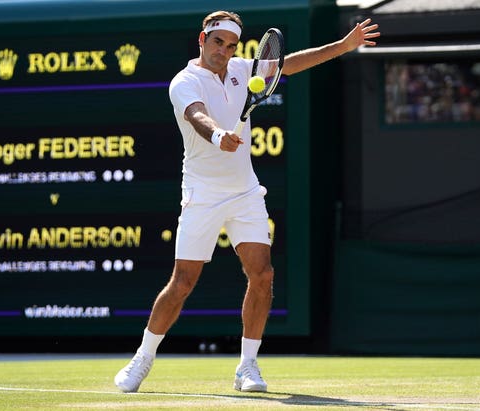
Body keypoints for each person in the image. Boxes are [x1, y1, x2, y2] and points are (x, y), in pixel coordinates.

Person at [114, 10, 380, 393]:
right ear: (202, 41)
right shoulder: (184, 82)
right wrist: (219, 135)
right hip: (202, 193)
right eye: (218, 42)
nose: (224, 50)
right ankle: (143, 357)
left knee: (263, 274)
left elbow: (290, 64)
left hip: (244, 192)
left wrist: (343, 45)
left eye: (231, 44)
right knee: (183, 281)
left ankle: (247, 366)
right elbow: (196, 115)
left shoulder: (244, 69)